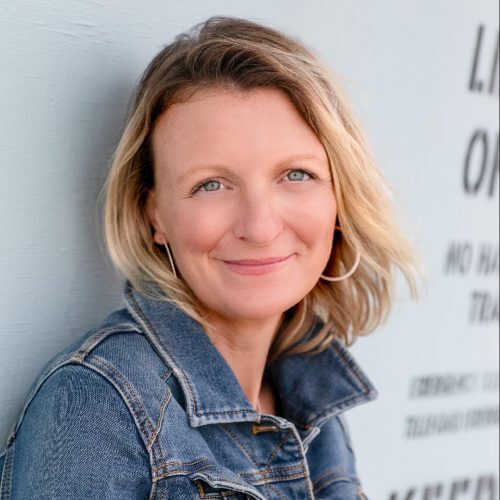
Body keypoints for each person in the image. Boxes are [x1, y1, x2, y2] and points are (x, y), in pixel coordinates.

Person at [0, 16, 419, 499]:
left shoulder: (314, 405)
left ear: (340, 198)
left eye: (296, 175)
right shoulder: (98, 405)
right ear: (154, 214)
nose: (260, 227)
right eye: (211, 185)